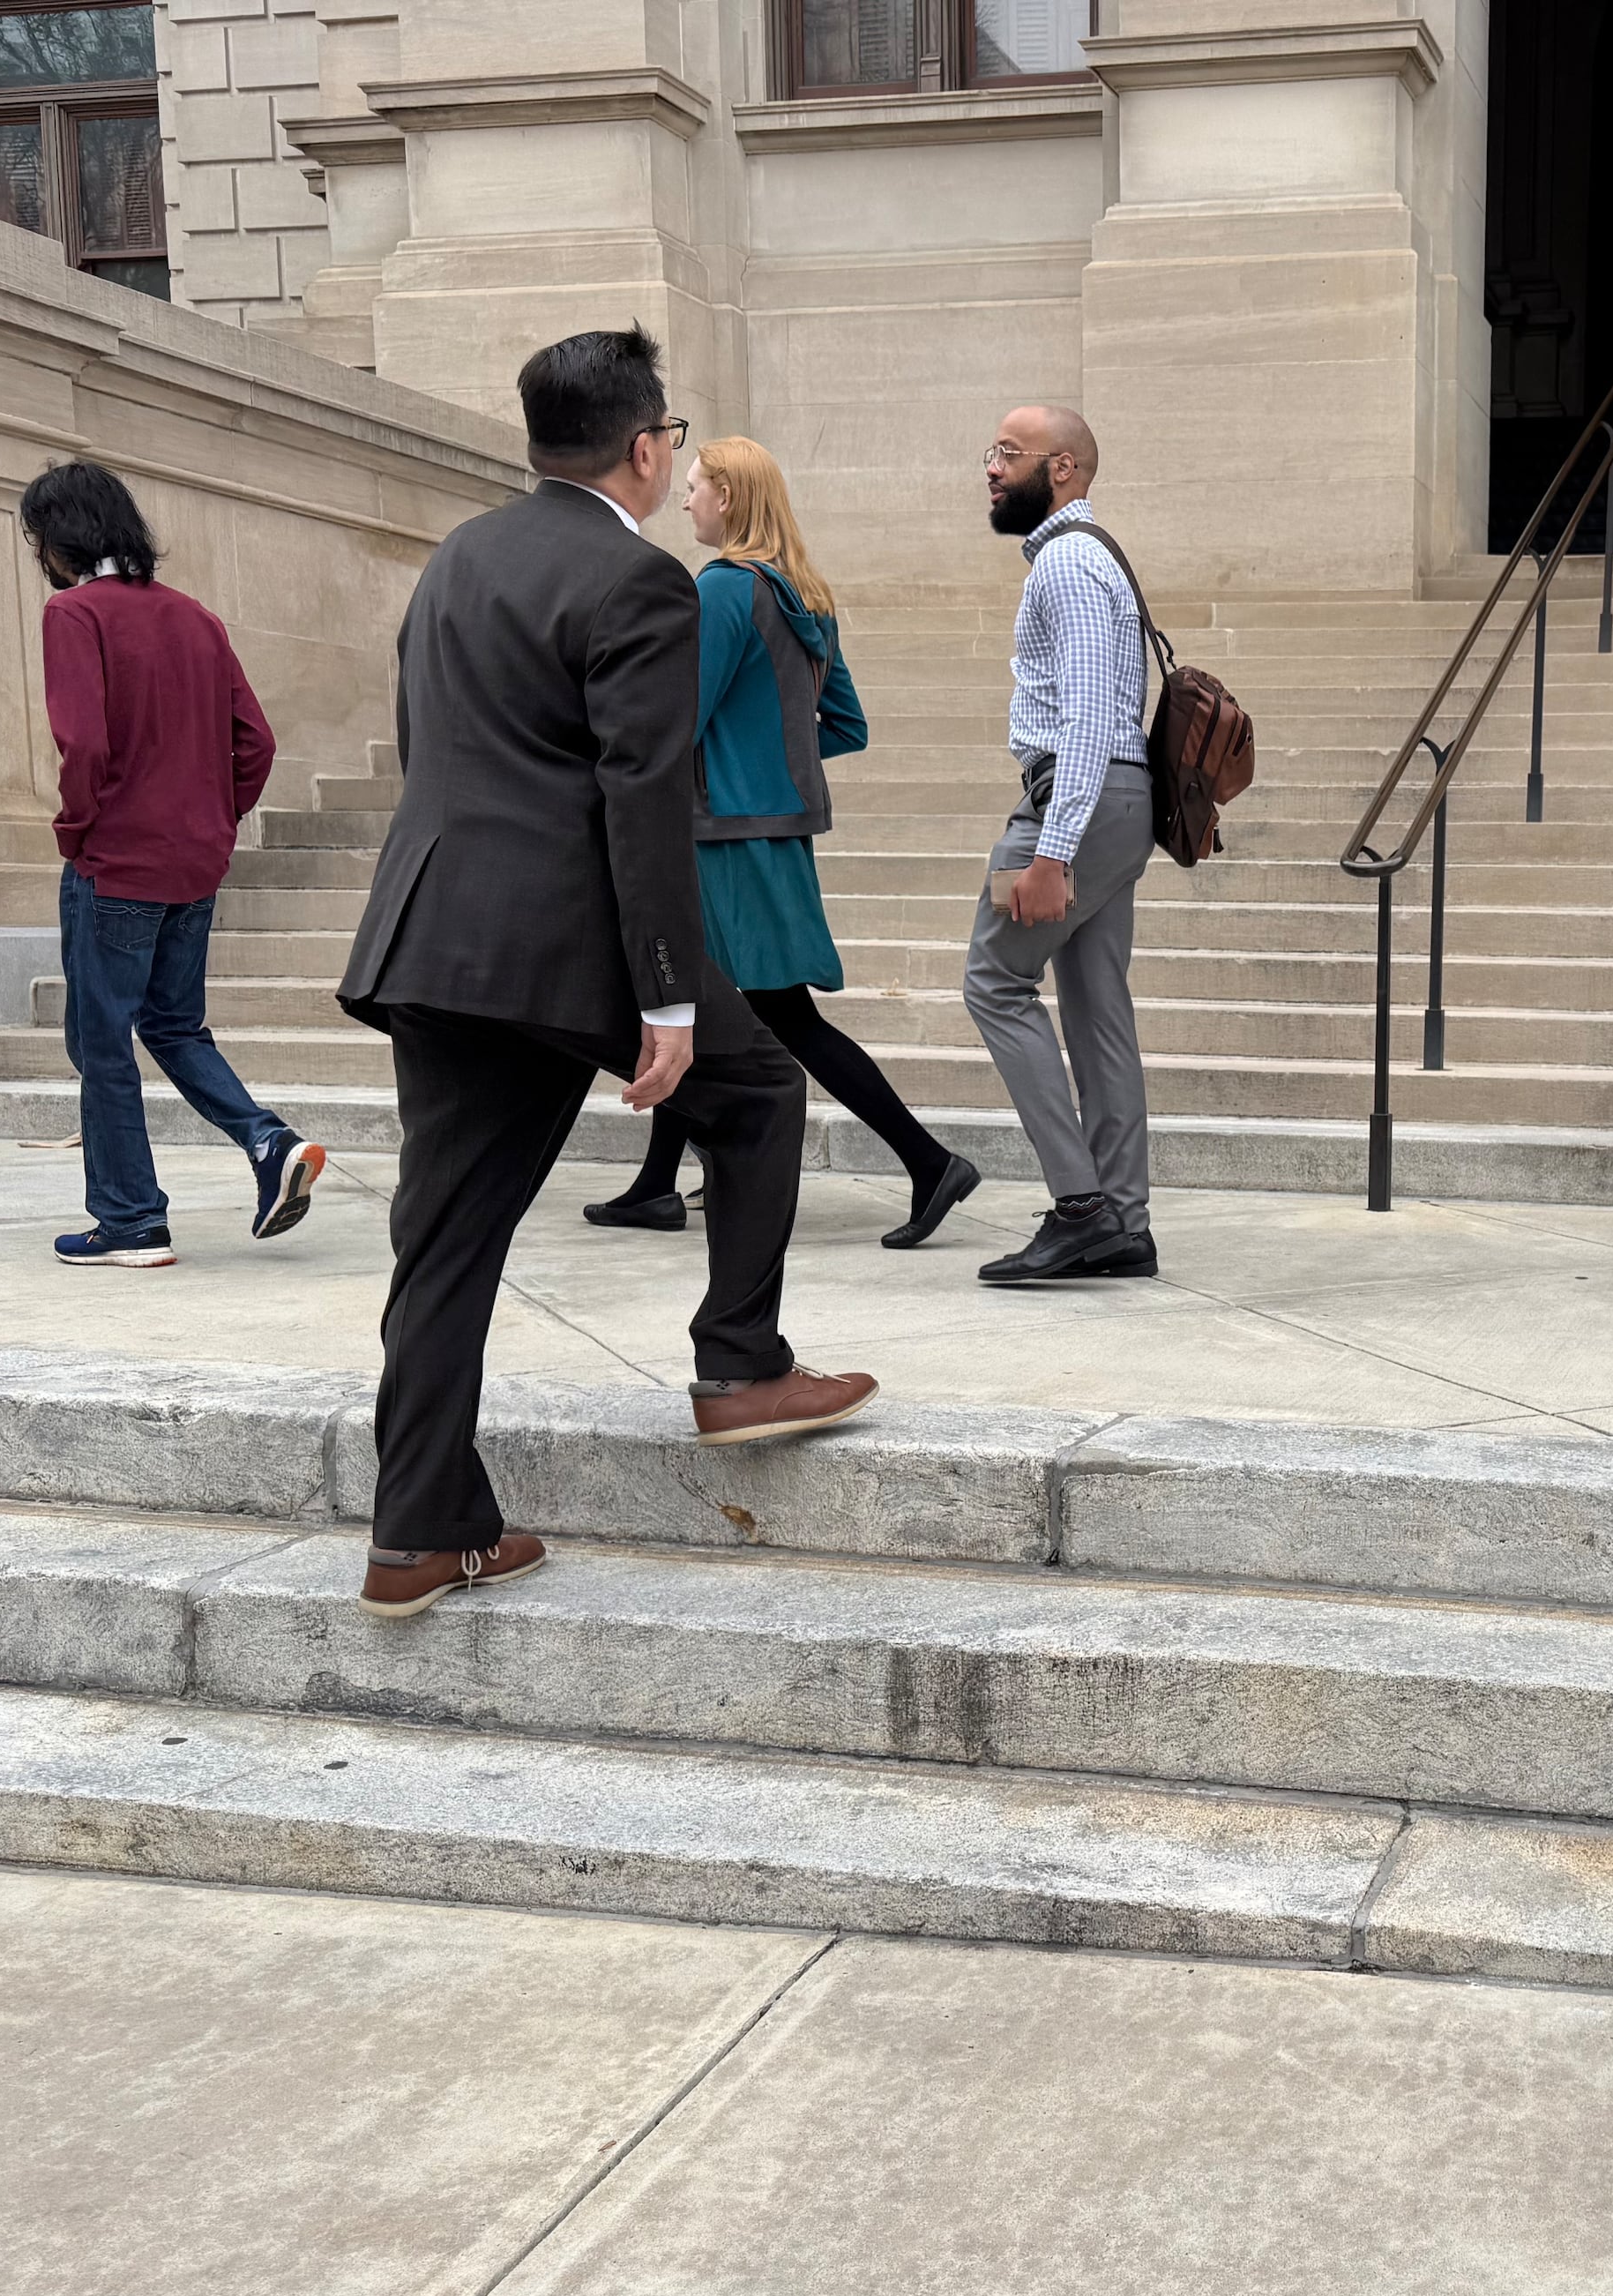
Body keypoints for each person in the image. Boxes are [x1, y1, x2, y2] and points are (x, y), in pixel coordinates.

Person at [337, 326, 877, 1620]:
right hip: (554, 941)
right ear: (646, 449)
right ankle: (740, 1368)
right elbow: (645, 792)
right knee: (754, 1093)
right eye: (669, 444)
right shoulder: (640, 581)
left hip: (430, 931)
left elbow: (432, 741)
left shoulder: (463, 552)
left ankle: (419, 1532)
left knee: (445, 1240)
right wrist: (667, 997)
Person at [586, 434, 982, 1249]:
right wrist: (768, 760)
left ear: (729, 498)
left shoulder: (725, 589)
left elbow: (678, 722)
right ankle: (657, 1183)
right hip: (768, 834)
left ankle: (929, 1159)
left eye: (697, 486)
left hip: (723, 837)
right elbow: (844, 726)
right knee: (699, 1002)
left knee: (775, 1016)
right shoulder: (806, 593)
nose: (687, 497)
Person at [18, 461, 325, 1267]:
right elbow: (254, 742)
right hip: (192, 861)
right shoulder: (195, 617)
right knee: (174, 1024)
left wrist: (77, 829)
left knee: (103, 1040)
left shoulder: (72, 613)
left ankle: (129, 1221)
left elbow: (83, 742)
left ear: (57, 538)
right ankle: (268, 1143)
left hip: (116, 860)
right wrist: (214, 818)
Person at [965, 403, 1159, 1284]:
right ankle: (1121, 1217)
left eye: (1010, 453)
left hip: (1077, 798)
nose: (993, 468)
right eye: (992, 452)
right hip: (1113, 799)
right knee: (1094, 1004)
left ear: (1066, 468)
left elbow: (1084, 719)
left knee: (995, 983)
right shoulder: (1082, 557)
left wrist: (1052, 852)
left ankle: (1081, 1211)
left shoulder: (1071, 564)